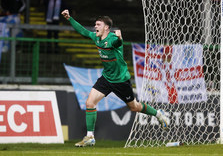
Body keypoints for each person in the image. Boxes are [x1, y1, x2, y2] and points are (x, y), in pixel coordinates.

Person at [61, 9, 168, 147]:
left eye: (98, 24)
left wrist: (119, 38)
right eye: (95, 24)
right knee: (90, 103)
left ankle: (158, 114)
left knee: (134, 107)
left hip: (121, 80)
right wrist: (69, 18)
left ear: (106, 27)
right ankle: (90, 137)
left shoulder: (112, 39)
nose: (95, 27)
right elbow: (83, 31)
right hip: (106, 78)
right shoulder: (96, 37)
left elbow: (117, 44)